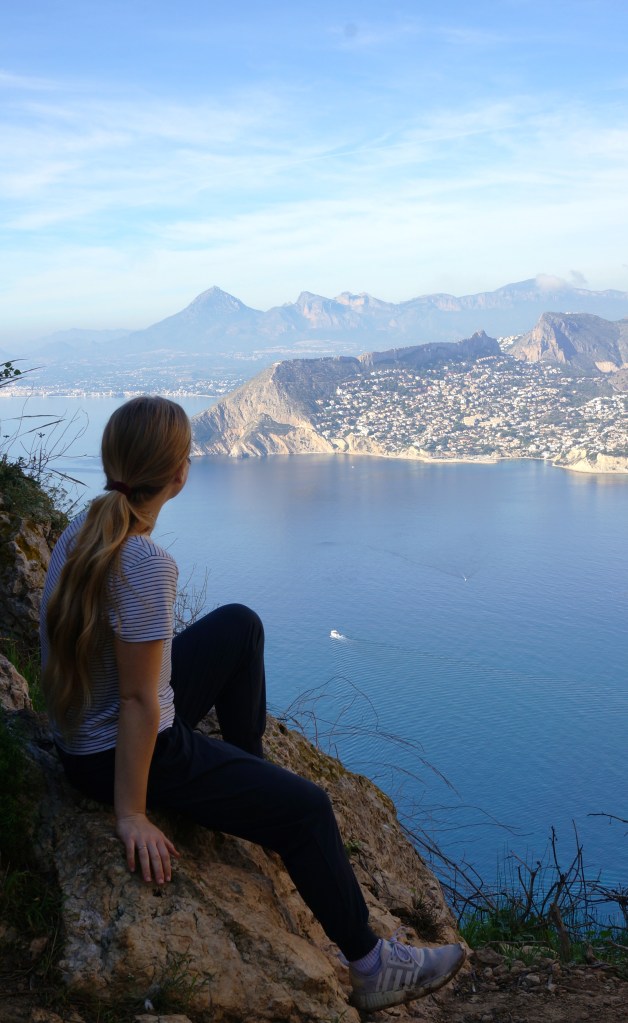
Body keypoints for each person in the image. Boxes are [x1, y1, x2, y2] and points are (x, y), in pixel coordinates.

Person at [40, 395, 465, 1012]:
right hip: (122, 751)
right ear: (182, 474)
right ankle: (373, 965)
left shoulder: (83, 528)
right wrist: (130, 813)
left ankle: (248, 768)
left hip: (85, 731)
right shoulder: (144, 561)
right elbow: (137, 701)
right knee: (308, 810)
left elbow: (94, 662)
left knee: (241, 624)